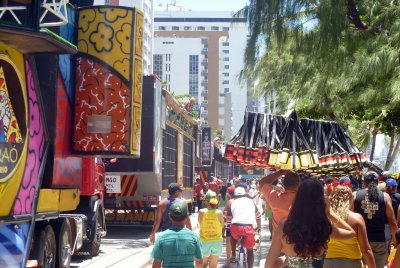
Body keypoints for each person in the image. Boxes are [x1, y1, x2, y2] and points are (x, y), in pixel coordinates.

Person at [265, 178, 356, 268]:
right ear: (321, 201)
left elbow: (269, 265)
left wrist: (290, 259)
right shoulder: (323, 227)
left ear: (298, 199)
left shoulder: (285, 227)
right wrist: (330, 214)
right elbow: (351, 233)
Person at [353, 171, 398, 268]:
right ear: (378, 182)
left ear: (364, 182)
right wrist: (395, 240)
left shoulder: (355, 195)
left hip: (360, 241)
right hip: (379, 241)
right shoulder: (385, 196)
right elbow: (392, 220)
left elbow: (349, 217)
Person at [325, 185, 376, 268]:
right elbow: (366, 250)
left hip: (329, 263)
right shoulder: (356, 218)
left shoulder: (326, 218)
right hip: (352, 263)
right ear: (350, 199)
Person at [151, 201, 203, 268]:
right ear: (187, 216)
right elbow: (199, 262)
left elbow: (157, 263)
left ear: (170, 216)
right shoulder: (194, 237)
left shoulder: (161, 237)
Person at [226, 186, 261, 268]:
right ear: (245, 194)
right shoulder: (251, 201)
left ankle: (233, 253)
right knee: (250, 251)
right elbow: (258, 216)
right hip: (248, 229)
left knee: (232, 233)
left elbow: (228, 219)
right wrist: (258, 228)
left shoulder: (231, 202)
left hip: (236, 228)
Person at [259, 170, 299, 235]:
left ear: (284, 183)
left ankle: (271, 233)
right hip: (298, 241)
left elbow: (261, 182)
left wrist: (280, 172)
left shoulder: (273, 194)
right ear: (298, 184)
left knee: (270, 221)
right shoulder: (303, 199)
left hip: (277, 241)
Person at [198, 191, 224, 268]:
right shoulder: (219, 212)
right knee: (213, 263)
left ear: (206, 201)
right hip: (217, 241)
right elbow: (222, 225)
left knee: (203, 263)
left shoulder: (201, 211)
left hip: (204, 241)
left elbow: (200, 222)